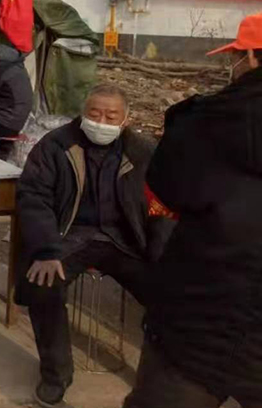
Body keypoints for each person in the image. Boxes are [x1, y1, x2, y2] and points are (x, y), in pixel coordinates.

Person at [124, 13, 262, 408]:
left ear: (251, 57)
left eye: (235, 56)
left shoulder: (205, 122)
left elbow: (165, 190)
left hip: (198, 321)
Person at [15, 84, 173, 408]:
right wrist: (46, 249)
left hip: (125, 239)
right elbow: (34, 198)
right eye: (94, 113)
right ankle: (56, 374)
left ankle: (158, 378)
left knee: (172, 294)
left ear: (126, 120)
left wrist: (163, 256)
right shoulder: (55, 146)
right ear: (82, 114)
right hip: (70, 236)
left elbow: (161, 206)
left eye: (111, 116)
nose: (101, 121)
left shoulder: (143, 152)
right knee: (43, 283)